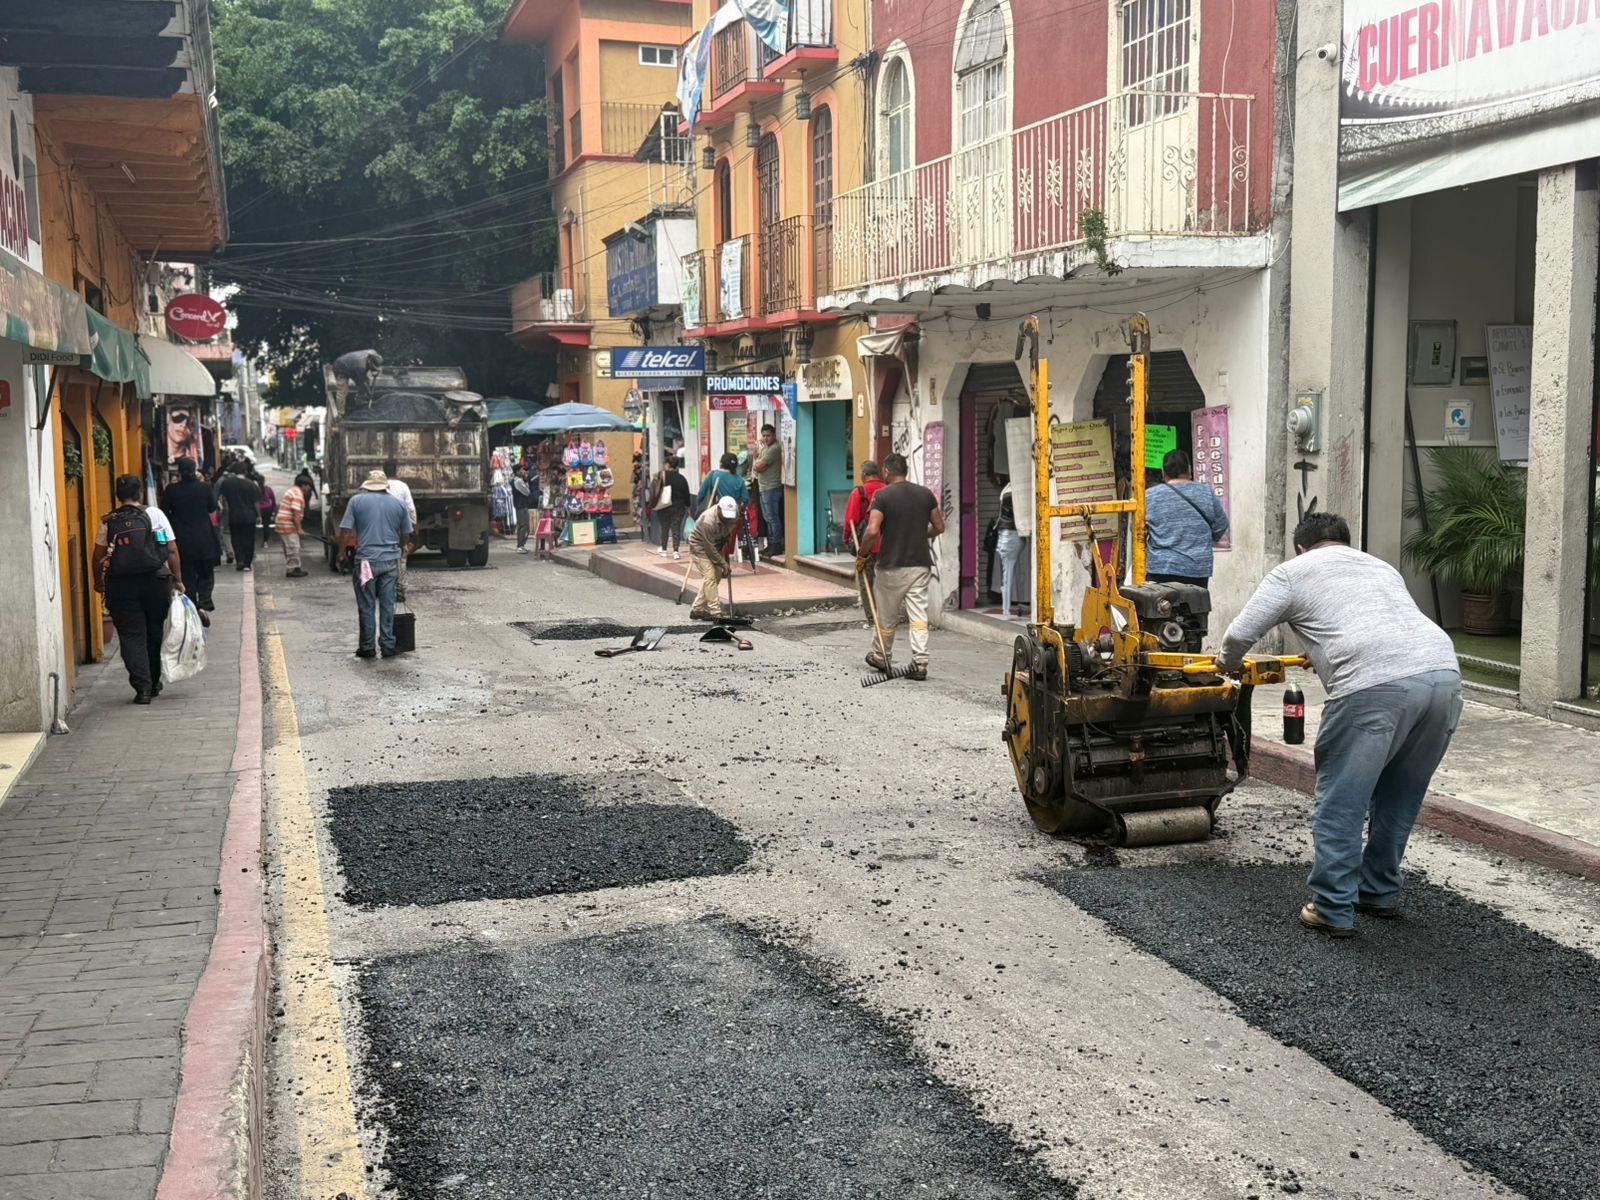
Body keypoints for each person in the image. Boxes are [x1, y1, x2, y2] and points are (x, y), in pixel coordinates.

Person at [1217, 512, 1462, 938]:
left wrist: (1226, 667)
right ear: (1346, 542)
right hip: (1443, 677)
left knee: (1342, 803)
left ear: (1301, 547)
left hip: (1373, 688)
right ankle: (1379, 891)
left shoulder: (1292, 572)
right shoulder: (1379, 566)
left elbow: (1240, 635)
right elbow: (1379, 624)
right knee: (1399, 796)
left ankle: (1331, 906)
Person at [93, 474, 184, 704]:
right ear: (140, 492)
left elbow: (98, 556)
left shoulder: (108, 521)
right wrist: (178, 580)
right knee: (154, 631)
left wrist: (99, 582)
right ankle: (154, 681)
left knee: (132, 637)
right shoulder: (155, 515)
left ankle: (142, 688)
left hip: (122, 586)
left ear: (117, 495)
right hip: (155, 583)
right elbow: (171, 550)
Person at [857, 453, 943, 681]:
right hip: (920, 565)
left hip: (891, 566)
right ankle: (920, 662)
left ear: (885, 471)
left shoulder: (881, 496)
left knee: (886, 615)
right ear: (905, 470)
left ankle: (880, 654)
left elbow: (872, 530)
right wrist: (921, 534)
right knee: (918, 616)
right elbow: (939, 526)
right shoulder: (925, 494)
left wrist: (862, 554)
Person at [336, 470, 413, 659]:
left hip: (366, 563)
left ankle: (367, 647)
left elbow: (346, 531)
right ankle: (388, 645)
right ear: (385, 485)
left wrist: (340, 553)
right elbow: (406, 534)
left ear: (368, 485)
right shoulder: (399, 504)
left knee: (366, 604)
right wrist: (399, 547)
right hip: (389, 562)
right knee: (388, 604)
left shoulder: (356, 501)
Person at [1144, 449, 1230, 591]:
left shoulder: (1150, 496)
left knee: (1161, 611)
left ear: (1163, 472)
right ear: (1189, 469)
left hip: (1161, 568)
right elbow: (1221, 525)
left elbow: (1137, 531)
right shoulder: (1205, 492)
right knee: (1196, 610)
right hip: (1197, 568)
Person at [161, 456, 219, 626]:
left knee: (187, 576)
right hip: (204, 538)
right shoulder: (204, 488)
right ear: (195, 470)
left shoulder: (171, 490)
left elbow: (164, 511)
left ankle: (194, 607)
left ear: (178, 471)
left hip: (182, 540)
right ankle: (205, 605)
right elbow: (212, 507)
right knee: (206, 574)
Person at [844, 461, 886, 615]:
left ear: (864, 475)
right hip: (888, 544)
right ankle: (886, 615)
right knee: (886, 582)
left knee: (865, 581)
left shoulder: (858, 492)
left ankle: (871, 617)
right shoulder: (887, 490)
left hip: (866, 545)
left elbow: (851, 520)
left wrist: (846, 538)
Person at [689, 496, 742, 620]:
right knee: (710, 577)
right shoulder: (708, 521)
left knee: (715, 577)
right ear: (718, 509)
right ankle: (715, 612)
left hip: (716, 546)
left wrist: (726, 544)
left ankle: (697, 609)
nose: (728, 519)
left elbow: (729, 531)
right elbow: (709, 548)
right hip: (700, 548)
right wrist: (723, 563)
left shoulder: (734, 514)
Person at [383, 458, 418, 601]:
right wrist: (414, 525)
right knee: (401, 556)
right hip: (400, 528)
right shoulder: (403, 486)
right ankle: (400, 590)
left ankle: (385, 588)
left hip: (384, 527)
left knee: (385, 557)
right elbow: (410, 508)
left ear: (384, 471)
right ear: (396, 470)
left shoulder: (380, 486)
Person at [217, 462, 261, 572]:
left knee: (236, 538)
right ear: (245, 471)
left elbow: (221, 497)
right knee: (249, 539)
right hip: (249, 516)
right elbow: (256, 503)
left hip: (234, 515)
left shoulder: (227, 483)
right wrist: (259, 515)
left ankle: (239, 560)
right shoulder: (251, 484)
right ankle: (247, 563)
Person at [751, 424, 784, 558]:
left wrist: (758, 464)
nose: (766, 438)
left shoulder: (775, 449)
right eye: (763, 436)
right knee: (767, 518)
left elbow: (758, 466)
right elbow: (756, 466)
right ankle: (770, 544)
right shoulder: (766, 448)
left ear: (774, 435)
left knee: (772, 517)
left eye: (768, 435)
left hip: (771, 488)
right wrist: (758, 464)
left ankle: (776, 544)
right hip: (763, 487)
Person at [994, 481, 1026, 619]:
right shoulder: (1013, 491)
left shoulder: (1008, 491)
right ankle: (1008, 608)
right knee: (1014, 573)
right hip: (1013, 533)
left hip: (1009, 534)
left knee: (1008, 575)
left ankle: (1006, 610)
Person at [275, 471, 313, 577]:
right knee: (293, 546)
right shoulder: (298, 494)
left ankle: (294, 567)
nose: (309, 489)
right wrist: (299, 529)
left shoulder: (293, 491)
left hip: (283, 523)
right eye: (308, 486)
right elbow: (296, 513)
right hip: (287, 524)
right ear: (304, 485)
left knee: (290, 546)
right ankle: (293, 569)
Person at [655, 456, 690, 560]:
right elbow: (686, 494)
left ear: (667, 465)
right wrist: (688, 507)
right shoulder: (682, 478)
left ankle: (664, 550)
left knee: (664, 528)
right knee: (676, 529)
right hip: (679, 507)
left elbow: (655, 489)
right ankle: (676, 551)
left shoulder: (661, 475)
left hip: (664, 505)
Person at [512, 460, 536, 553]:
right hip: (521, 506)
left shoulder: (519, 480)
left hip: (521, 505)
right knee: (524, 526)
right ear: (517, 472)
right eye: (521, 470)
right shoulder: (518, 481)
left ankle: (521, 545)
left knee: (523, 525)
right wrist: (526, 480)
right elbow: (527, 492)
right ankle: (520, 546)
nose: (523, 471)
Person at [255, 472, 277, 545]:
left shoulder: (255, 489)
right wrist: (273, 509)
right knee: (266, 525)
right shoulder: (268, 489)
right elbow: (273, 499)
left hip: (257, 509)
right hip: (267, 509)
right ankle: (265, 541)